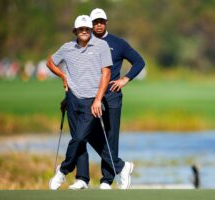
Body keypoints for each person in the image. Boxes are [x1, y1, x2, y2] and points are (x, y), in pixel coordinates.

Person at [47, 15, 112, 190]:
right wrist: (63, 76)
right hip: (73, 99)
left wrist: (98, 99)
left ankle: (63, 170)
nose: (84, 32)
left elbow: (106, 74)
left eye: (87, 29)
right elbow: (50, 62)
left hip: (92, 99)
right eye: (81, 29)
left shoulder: (101, 46)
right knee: (79, 139)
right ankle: (82, 178)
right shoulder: (67, 48)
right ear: (75, 31)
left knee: (81, 136)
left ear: (90, 30)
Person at [87, 8, 145, 189]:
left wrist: (125, 79)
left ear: (106, 22)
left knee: (111, 137)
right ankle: (121, 167)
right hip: (90, 95)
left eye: (101, 21)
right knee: (87, 133)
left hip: (112, 95)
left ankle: (107, 180)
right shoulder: (84, 43)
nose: (98, 24)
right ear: (91, 24)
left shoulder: (118, 43)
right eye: (95, 22)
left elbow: (139, 62)